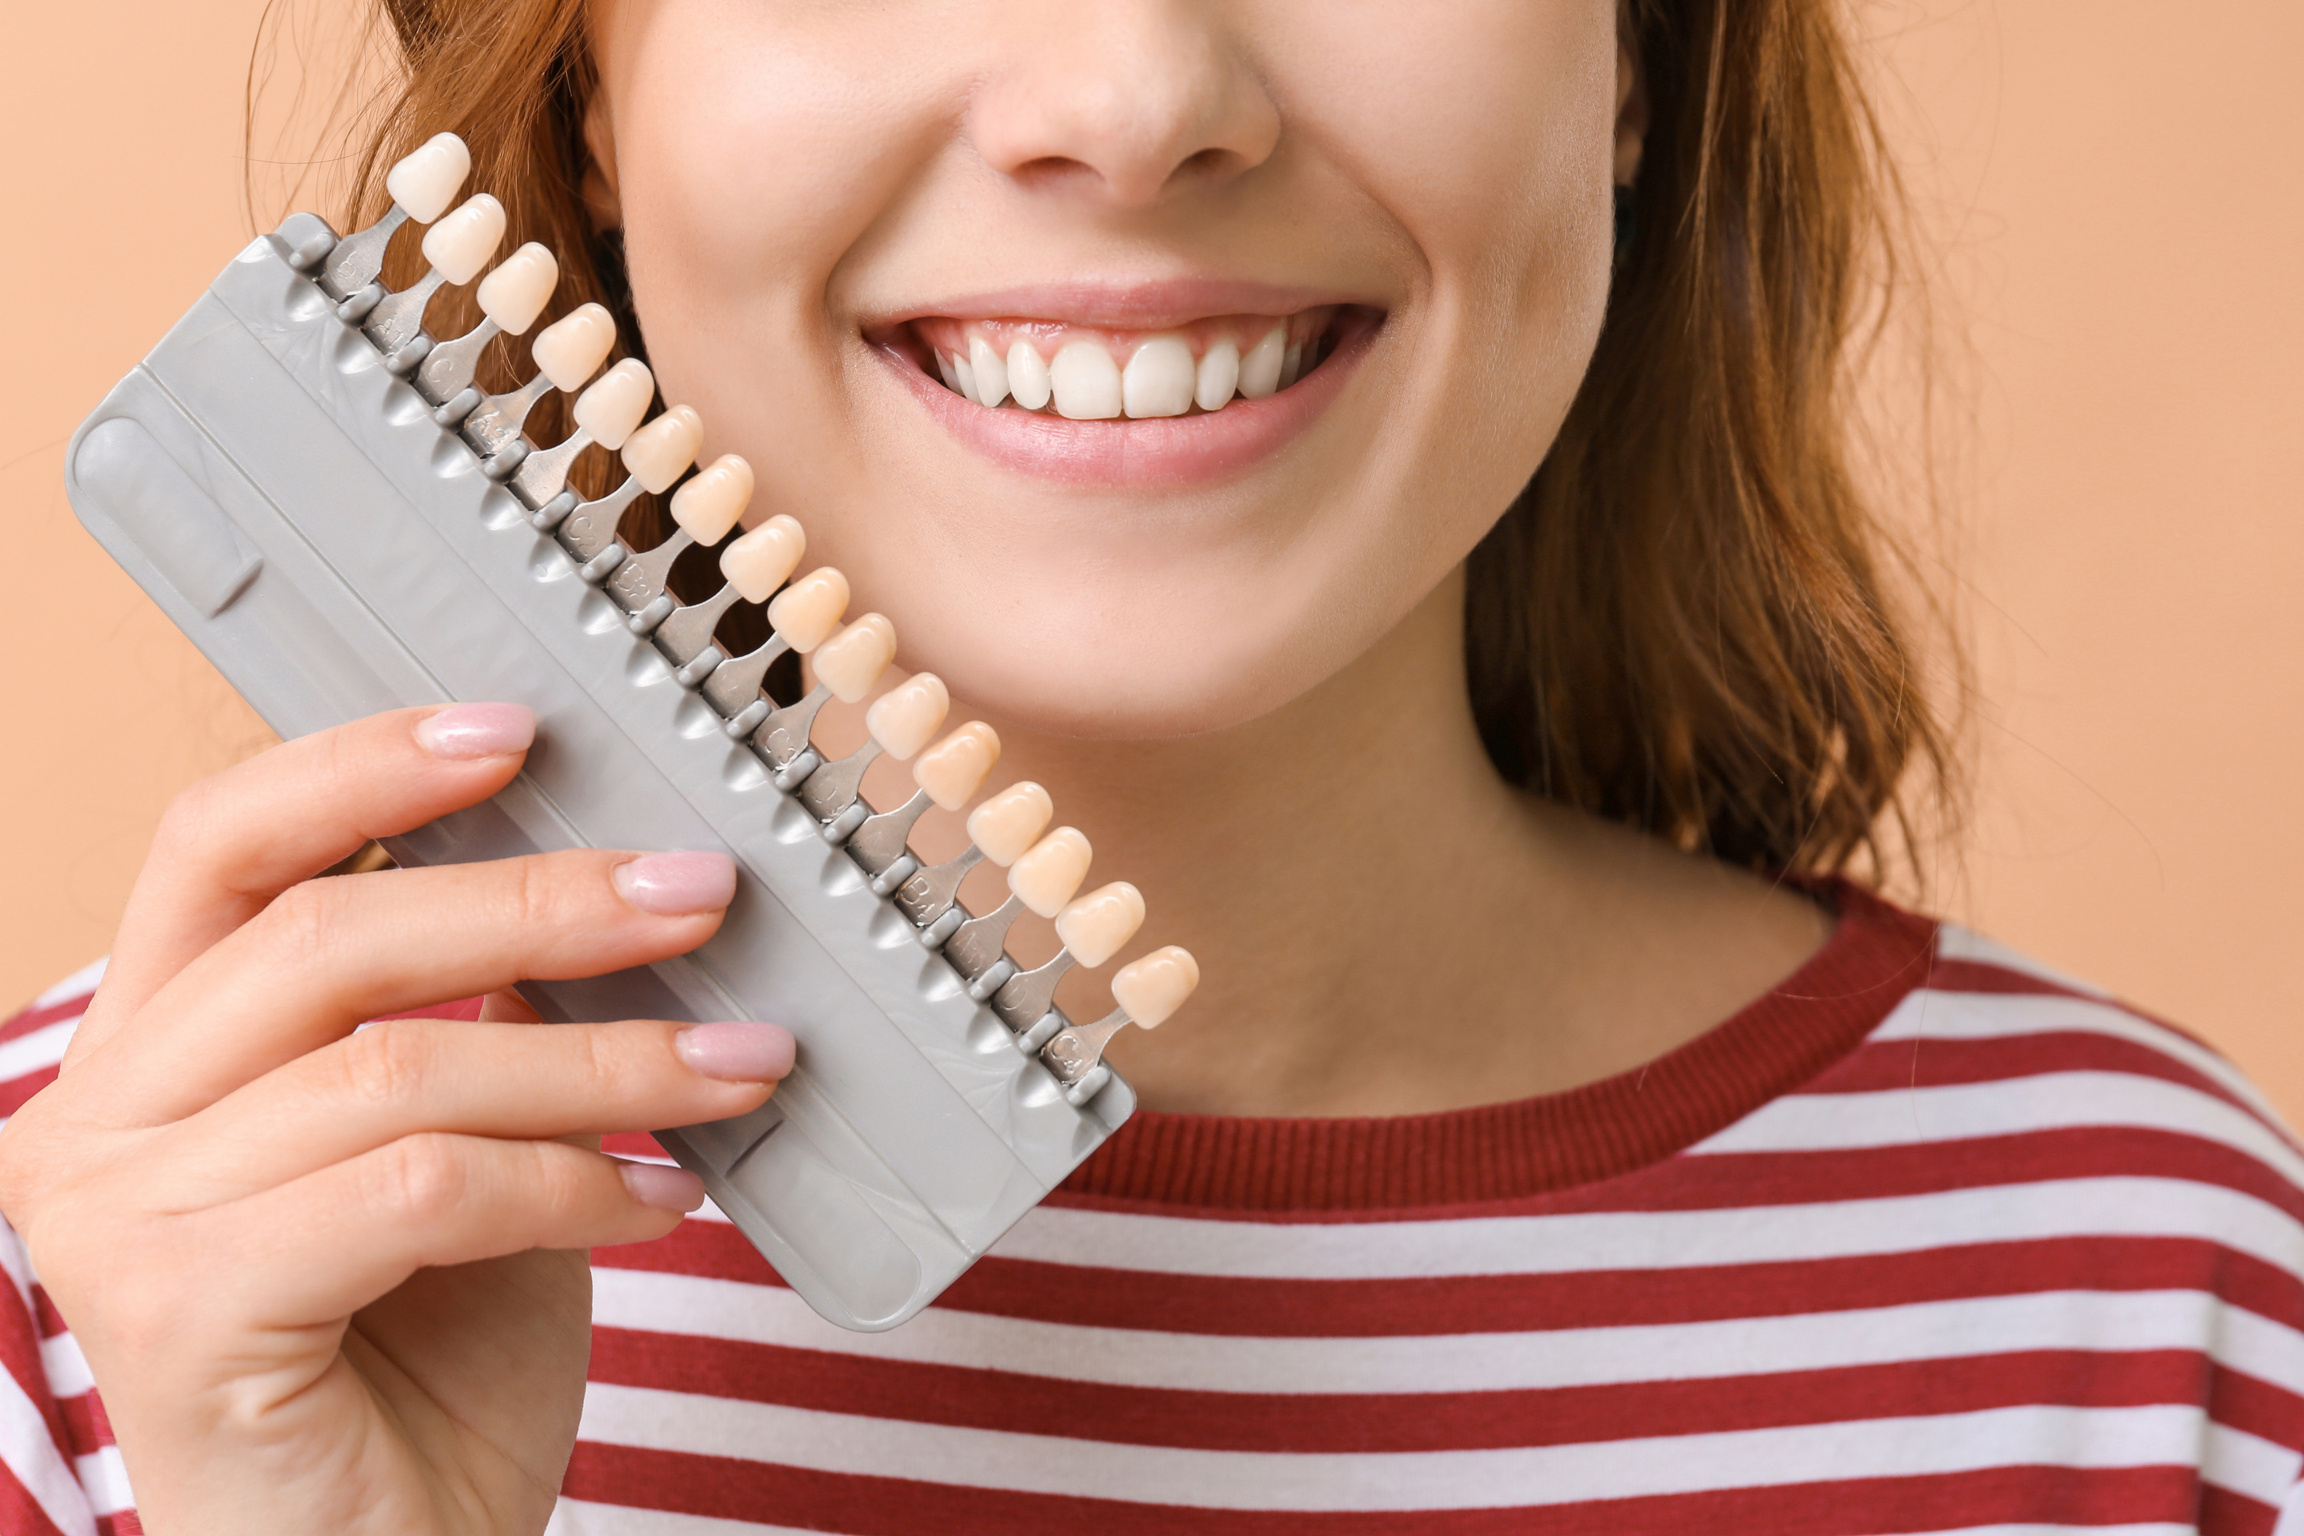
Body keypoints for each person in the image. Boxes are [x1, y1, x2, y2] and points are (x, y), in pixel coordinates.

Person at [4, 0, 2300, 1531]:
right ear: (597, 84)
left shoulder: (2159, 1305)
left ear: (1630, 55)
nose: (1128, 93)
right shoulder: (97, 1298)